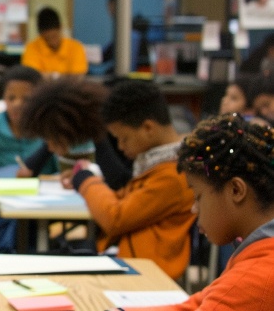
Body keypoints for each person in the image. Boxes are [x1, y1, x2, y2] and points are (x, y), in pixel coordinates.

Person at [113, 113, 274, 311]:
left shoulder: (252, 278)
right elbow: (196, 304)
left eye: (198, 196)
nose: (193, 208)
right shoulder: (260, 254)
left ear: (236, 190)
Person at [68, 80, 195, 280]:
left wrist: (86, 180)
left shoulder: (173, 175)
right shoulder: (157, 164)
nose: (119, 146)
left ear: (147, 128)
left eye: (123, 138)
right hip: (131, 262)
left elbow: (115, 218)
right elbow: (124, 200)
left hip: (144, 274)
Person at [18, 79, 132, 190]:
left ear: (67, 129)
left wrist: (83, 177)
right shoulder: (65, 133)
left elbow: (120, 184)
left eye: (52, 140)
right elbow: (29, 171)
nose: (50, 147)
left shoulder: (108, 135)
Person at [0, 65, 54, 174]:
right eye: (11, 98)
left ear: (40, 100)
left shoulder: (50, 129)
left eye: (26, 99)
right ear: (3, 98)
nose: (17, 104)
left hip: (44, 188)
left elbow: (61, 170)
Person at [21, 7, 88, 78]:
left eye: (54, 36)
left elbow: (78, 77)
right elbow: (32, 77)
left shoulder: (76, 47)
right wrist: (64, 76)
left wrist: (50, 76)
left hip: (70, 89)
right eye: (48, 38)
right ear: (41, 35)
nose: (53, 41)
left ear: (61, 29)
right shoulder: (32, 48)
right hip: (42, 89)